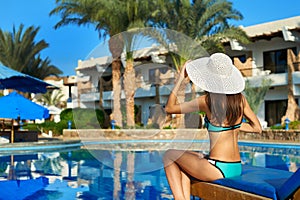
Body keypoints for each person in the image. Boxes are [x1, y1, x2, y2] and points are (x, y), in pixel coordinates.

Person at [163, 53, 262, 200]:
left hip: (217, 168)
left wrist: (181, 80)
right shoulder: (240, 99)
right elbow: (257, 128)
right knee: (186, 161)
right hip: (235, 167)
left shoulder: (207, 101)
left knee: (169, 155)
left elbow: (170, 108)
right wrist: (233, 126)